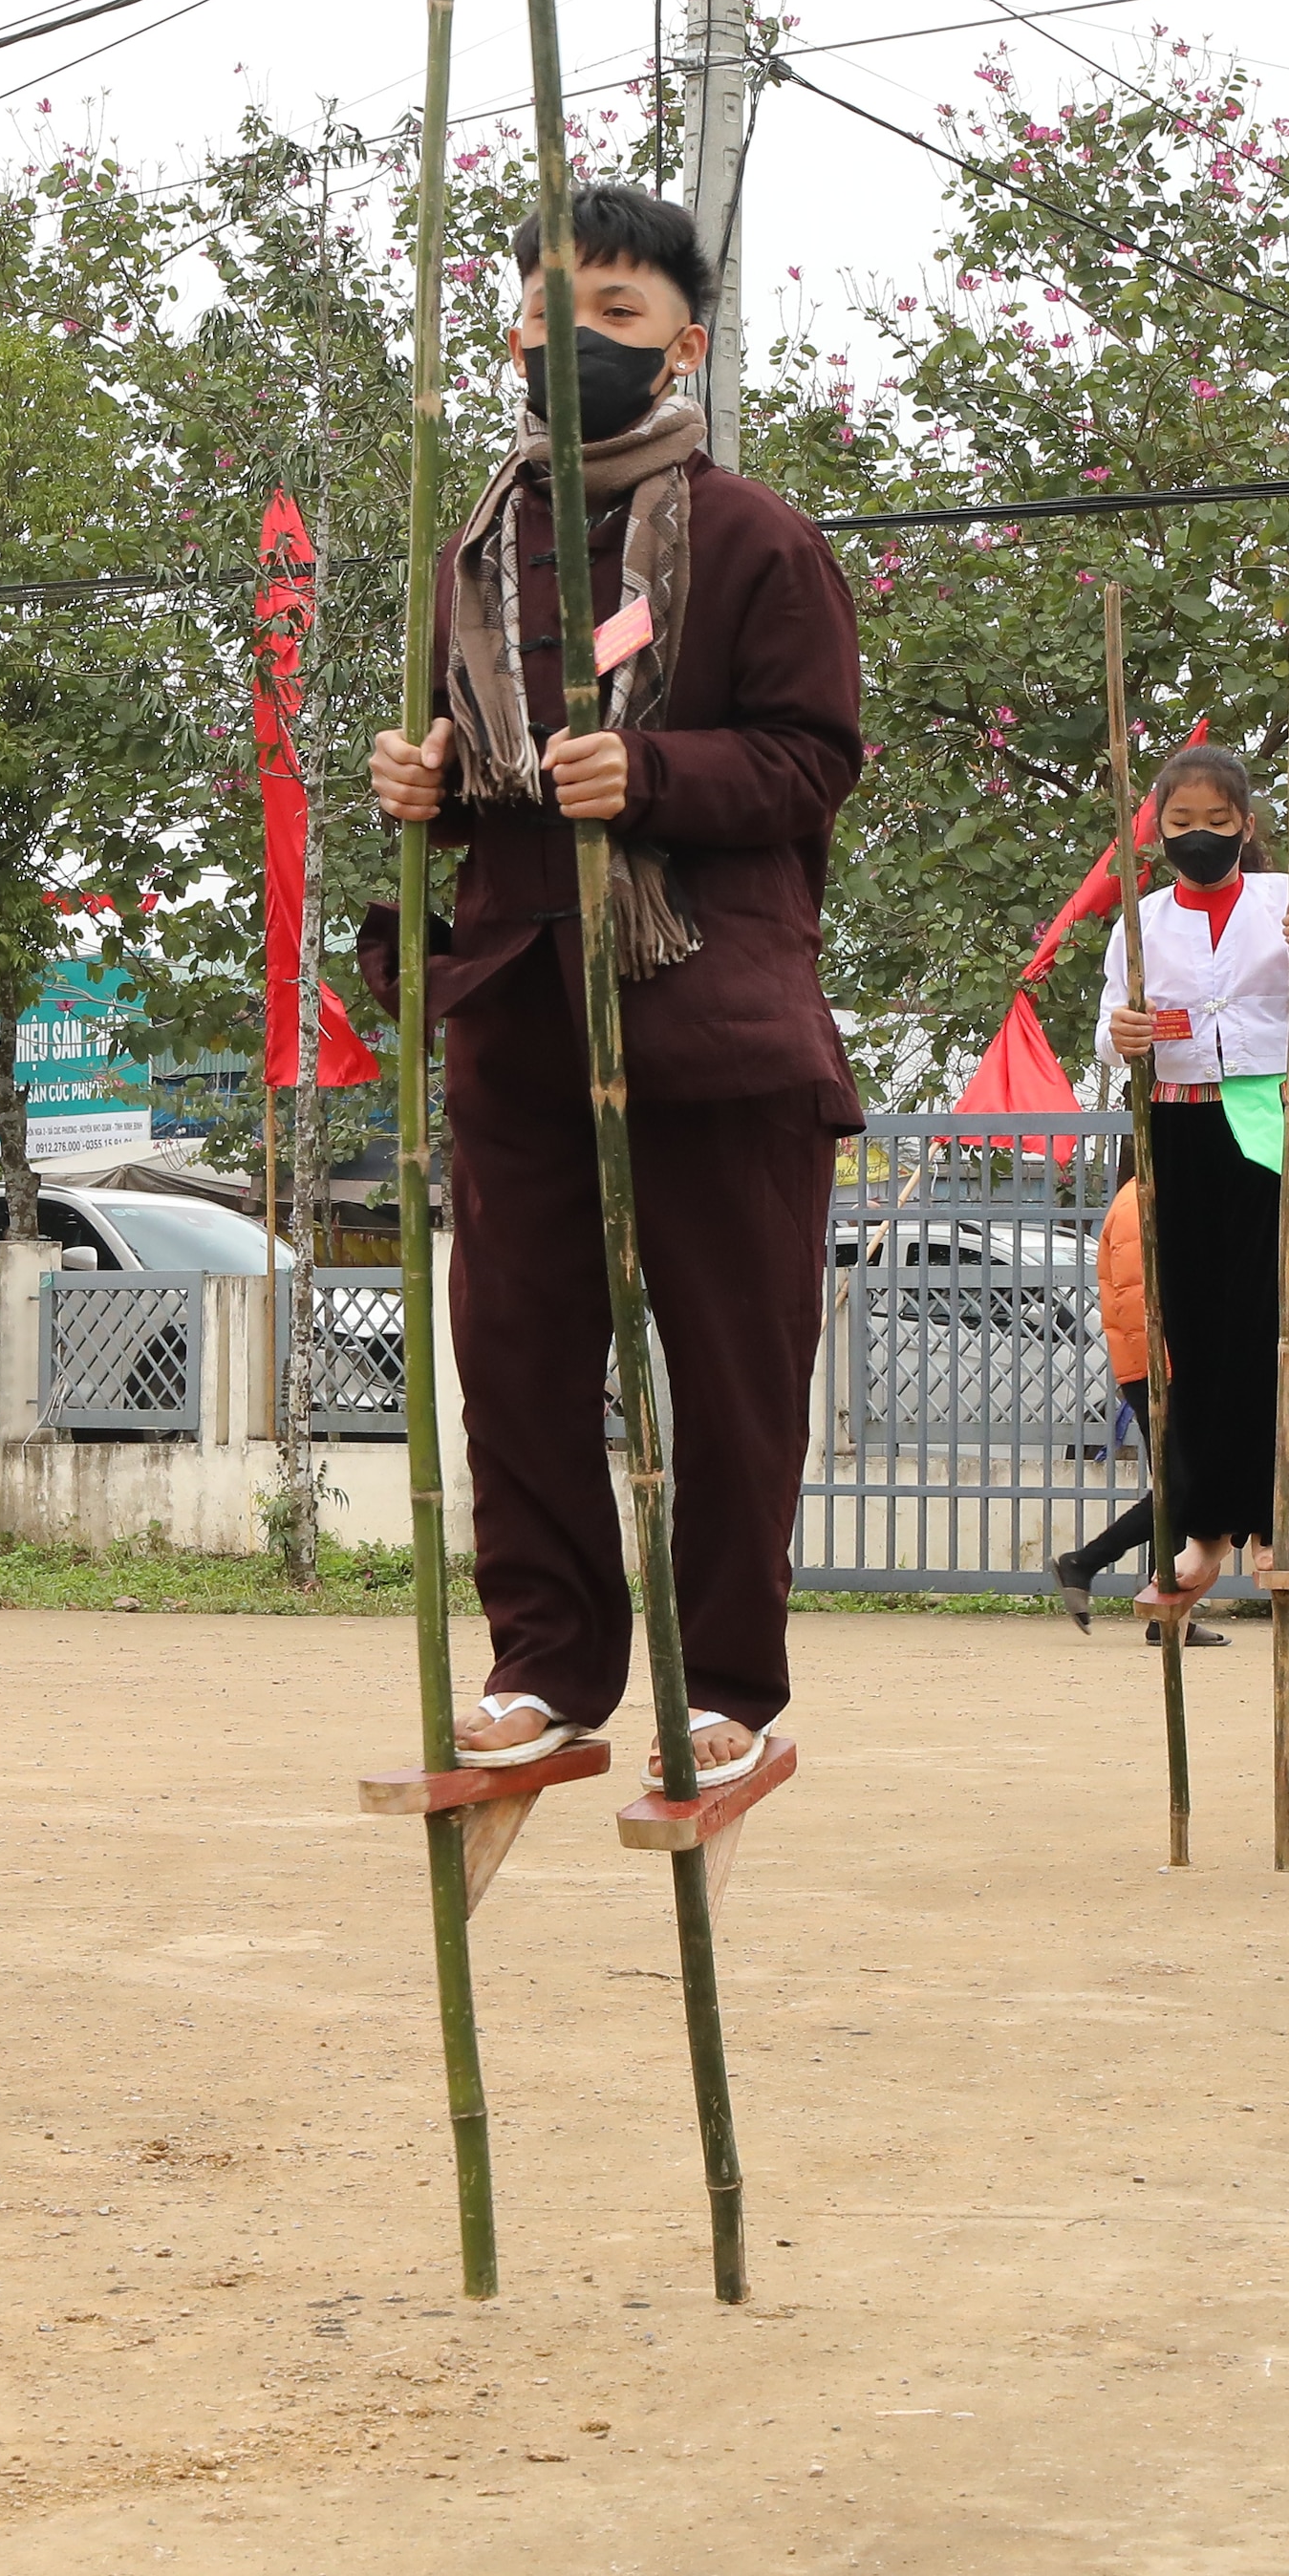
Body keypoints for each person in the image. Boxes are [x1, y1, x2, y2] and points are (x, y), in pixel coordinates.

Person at [366, 182, 863, 1787]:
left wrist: (645, 774)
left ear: (684, 345)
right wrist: (425, 781)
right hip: (515, 999)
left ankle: (725, 1683)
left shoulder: (755, 536)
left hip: (711, 1019)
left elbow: (810, 762)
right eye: (551, 309)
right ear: (512, 326)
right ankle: (549, 1666)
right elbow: (473, 755)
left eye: (620, 318)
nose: (577, 339)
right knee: (512, 1355)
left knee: (730, 1371)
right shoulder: (477, 543)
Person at [1089, 741, 1289, 1631]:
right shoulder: (1141, 923)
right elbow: (1108, 1031)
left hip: (1265, 1113)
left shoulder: (1288, 900)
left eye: (1216, 822)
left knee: (1275, 1318)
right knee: (1193, 1327)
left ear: (1246, 825)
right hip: (1174, 1120)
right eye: (1180, 824)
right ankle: (1202, 1529)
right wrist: (1123, 1031)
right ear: (1158, 832)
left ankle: (1275, 1527)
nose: (1198, 836)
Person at [1048, 1172, 1203, 1636]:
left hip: (1151, 1360)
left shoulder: (1140, 1196)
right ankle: (1083, 1562)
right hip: (1162, 1362)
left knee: (1174, 1488)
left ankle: (1167, 1616)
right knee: (1181, 1489)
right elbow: (1152, 1291)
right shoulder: (1145, 1199)